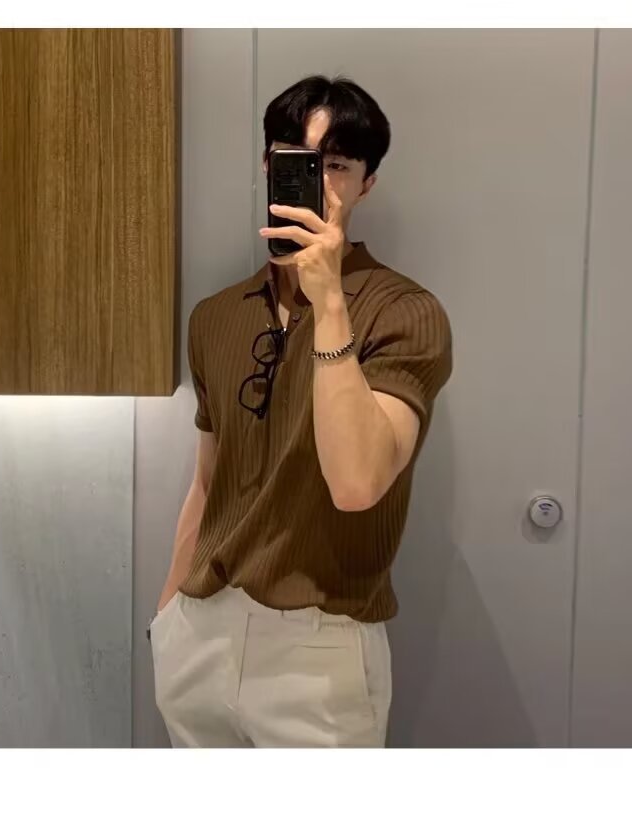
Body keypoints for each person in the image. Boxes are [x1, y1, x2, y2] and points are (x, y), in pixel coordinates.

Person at [149, 75, 453, 748]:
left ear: (367, 184)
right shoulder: (215, 317)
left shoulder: (406, 314)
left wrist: (330, 300)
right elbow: (208, 481)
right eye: (298, 159)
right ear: (269, 166)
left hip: (321, 652)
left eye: (337, 164)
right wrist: (166, 616)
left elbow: (357, 483)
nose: (319, 183)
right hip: (199, 635)